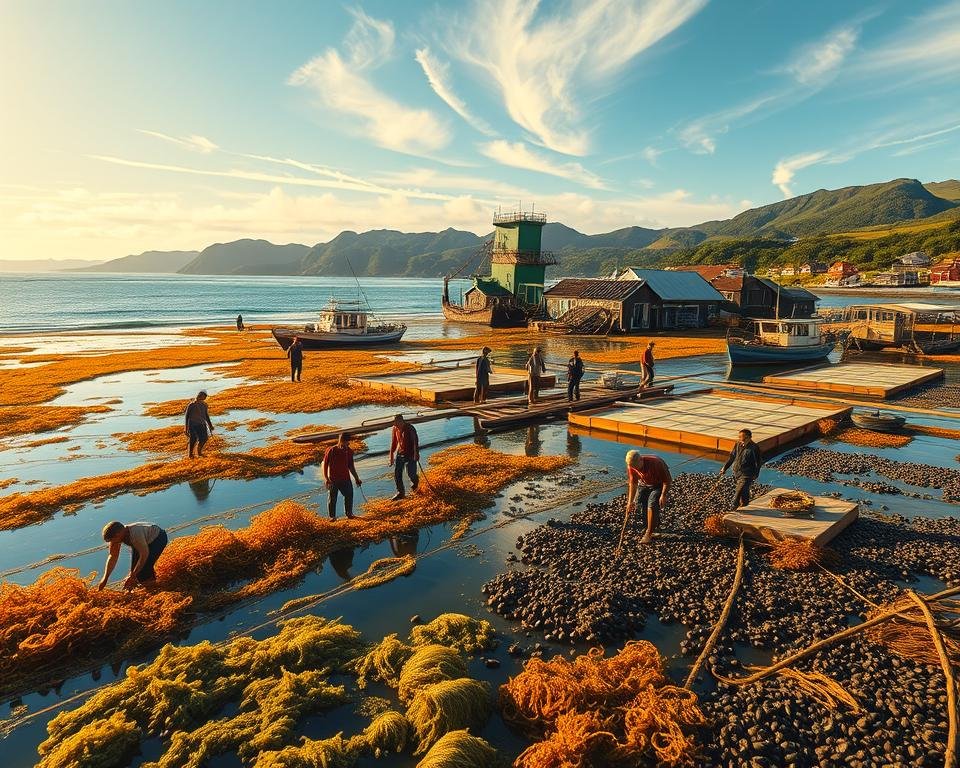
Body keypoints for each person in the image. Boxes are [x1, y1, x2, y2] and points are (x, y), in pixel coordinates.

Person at [97, 521, 169, 591]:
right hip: (142, 543)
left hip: (158, 538)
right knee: (135, 572)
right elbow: (113, 556)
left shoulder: (135, 535)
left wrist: (132, 576)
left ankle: (156, 589)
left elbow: (144, 555)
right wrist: (105, 578)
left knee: (142, 571)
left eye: (112, 540)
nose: (112, 543)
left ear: (118, 534)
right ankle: (142, 585)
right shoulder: (118, 536)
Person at [624, 450, 671, 544]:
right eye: (633, 468)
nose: (636, 470)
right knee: (640, 503)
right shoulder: (631, 466)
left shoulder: (657, 463)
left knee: (652, 504)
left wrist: (663, 495)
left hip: (658, 484)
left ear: (641, 460)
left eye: (637, 467)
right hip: (644, 484)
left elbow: (667, 480)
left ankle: (649, 534)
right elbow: (633, 483)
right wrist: (630, 502)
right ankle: (652, 526)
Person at [720, 428, 763, 508]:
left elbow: (759, 462)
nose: (741, 440)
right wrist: (724, 468)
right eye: (740, 438)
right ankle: (745, 503)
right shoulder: (737, 444)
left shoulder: (754, 448)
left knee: (739, 490)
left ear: (749, 437)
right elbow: (732, 457)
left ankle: (733, 507)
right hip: (737, 472)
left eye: (743, 439)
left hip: (748, 473)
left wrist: (756, 474)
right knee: (744, 489)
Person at [323, 431, 361, 519]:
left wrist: (357, 478)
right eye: (345, 441)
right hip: (333, 480)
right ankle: (332, 517)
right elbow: (325, 465)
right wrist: (326, 478)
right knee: (332, 499)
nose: (347, 444)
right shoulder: (331, 450)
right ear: (341, 440)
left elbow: (351, 466)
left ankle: (349, 513)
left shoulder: (349, 452)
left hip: (345, 479)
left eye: (348, 442)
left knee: (349, 495)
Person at [389, 414, 419, 500]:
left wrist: (416, 454)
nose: (395, 425)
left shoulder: (410, 428)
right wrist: (391, 455)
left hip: (410, 454)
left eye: (396, 423)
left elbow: (415, 442)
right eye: (394, 423)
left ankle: (415, 483)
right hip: (400, 453)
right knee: (397, 474)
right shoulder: (395, 428)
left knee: (411, 473)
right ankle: (400, 493)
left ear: (401, 421)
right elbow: (394, 443)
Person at [185, 390, 215, 458]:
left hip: (202, 424)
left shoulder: (204, 405)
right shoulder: (191, 404)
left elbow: (206, 416)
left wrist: (210, 425)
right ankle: (190, 455)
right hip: (192, 424)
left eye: (204, 397)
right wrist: (186, 428)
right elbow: (187, 417)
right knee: (193, 439)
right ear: (198, 395)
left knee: (204, 438)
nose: (202, 398)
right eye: (201, 396)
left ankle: (198, 452)